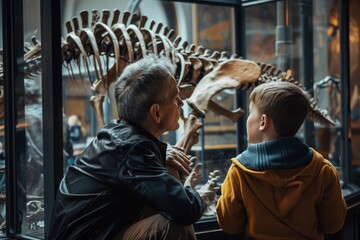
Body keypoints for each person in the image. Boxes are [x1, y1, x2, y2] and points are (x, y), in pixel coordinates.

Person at [48, 54, 206, 240]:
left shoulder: (120, 135)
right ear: (156, 112)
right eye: (175, 98)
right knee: (172, 227)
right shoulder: (132, 149)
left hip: (103, 230)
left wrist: (163, 156)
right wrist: (191, 189)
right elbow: (187, 210)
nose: (181, 103)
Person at [216, 81, 347, 239]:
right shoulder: (323, 170)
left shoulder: (239, 172)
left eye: (251, 113)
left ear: (263, 122)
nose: (247, 118)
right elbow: (333, 224)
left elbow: (229, 225)